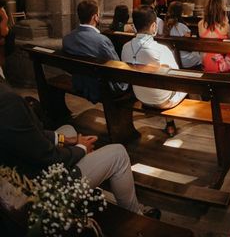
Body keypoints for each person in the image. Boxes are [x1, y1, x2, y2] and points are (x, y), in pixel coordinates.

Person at [0, 82, 158, 218]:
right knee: (118, 153)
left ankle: (90, 195)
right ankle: (136, 216)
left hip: (19, 165)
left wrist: (66, 140)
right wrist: (81, 148)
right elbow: (46, 156)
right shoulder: (7, 100)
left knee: (68, 130)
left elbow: (28, 134)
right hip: (34, 188)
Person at [121, 7, 186, 136]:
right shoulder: (161, 49)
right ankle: (170, 124)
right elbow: (176, 76)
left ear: (134, 26)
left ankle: (170, 124)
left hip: (139, 96)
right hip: (162, 101)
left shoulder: (125, 47)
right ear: (153, 26)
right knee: (184, 85)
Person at [62, 0, 128, 103]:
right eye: (99, 13)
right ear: (95, 17)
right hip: (99, 87)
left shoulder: (67, 38)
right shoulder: (102, 41)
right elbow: (116, 66)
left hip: (78, 83)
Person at [198, 0, 230, 74]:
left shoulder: (200, 24)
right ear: (221, 9)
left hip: (205, 61)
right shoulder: (225, 26)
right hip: (220, 62)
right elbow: (228, 42)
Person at [163, 1, 202, 68]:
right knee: (201, 56)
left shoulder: (165, 25)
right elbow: (189, 44)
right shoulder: (182, 26)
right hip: (185, 59)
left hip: (171, 57)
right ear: (181, 12)